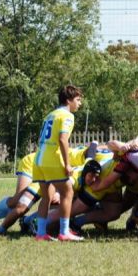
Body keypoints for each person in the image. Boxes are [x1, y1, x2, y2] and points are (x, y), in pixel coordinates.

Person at [32, 85, 82, 242]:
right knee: (68, 192)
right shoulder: (67, 116)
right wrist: (67, 164)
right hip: (52, 159)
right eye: (78, 100)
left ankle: (40, 234)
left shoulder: (50, 115)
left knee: (46, 197)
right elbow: (62, 139)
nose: (80, 103)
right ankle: (64, 232)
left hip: (39, 159)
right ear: (68, 100)